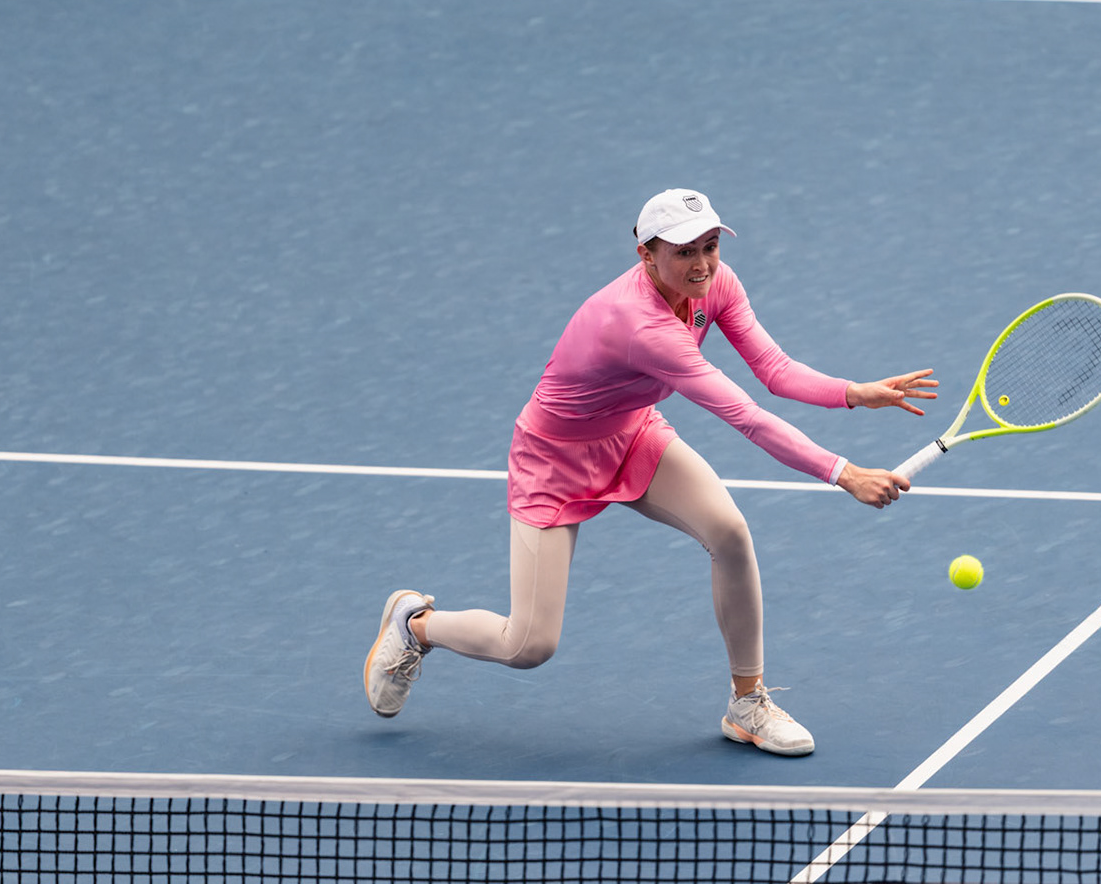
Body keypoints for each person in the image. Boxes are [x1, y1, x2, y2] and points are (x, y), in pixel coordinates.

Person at [364, 188, 935, 756]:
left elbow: (774, 369)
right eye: (685, 251)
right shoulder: (641, 327)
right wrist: (845, 473)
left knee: (730, 533)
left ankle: (747, 701)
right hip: (553, 459)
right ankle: (415, 625)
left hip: (632, 432)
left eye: (710, 246)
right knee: (529, 645)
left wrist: (853, 394)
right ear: (646, 255)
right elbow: (746, 416)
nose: (703, 264)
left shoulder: (718, 283)